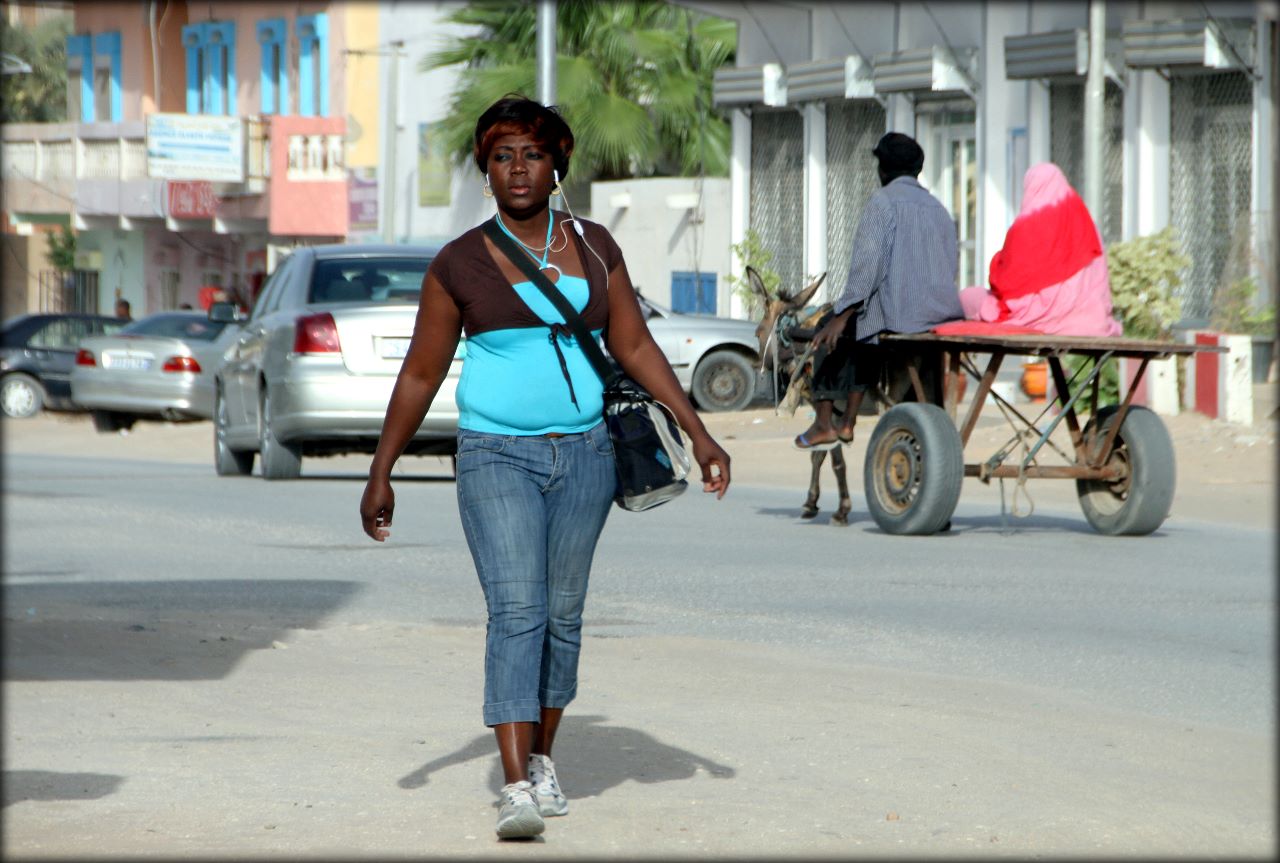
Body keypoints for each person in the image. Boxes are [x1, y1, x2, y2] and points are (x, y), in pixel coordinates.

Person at [358, 96, 731, 840]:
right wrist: (381, 469)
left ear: (556, 163)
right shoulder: (459, 261)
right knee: (517, 611)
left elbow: (635, 346)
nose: (517, 168)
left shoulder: (594, 247)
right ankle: (516, 782)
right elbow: (420, 372)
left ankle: (545, 755)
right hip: (496, 455)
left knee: (562, 617)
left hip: (588, 454)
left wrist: (699, 430)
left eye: (530, 153)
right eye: (502, 157)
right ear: (486, 171)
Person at [794, 132, 965, 451]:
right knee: (862, 329)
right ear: (917, 170)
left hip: (902, 315)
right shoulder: (939, 208)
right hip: (942, 312)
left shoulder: (882, 203)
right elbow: (950, 265)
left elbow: (866, 268)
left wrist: (841, 314)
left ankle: (826, 423)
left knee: (829, 329)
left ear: (882, 169)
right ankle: (848, 422)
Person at [958, 162, 1122, 337]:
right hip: (1091, 320)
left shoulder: (1027, 226)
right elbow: (1100, 280)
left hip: (1035, 316)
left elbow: (1005, 281)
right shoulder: (1087, 223)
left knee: (967, 297)